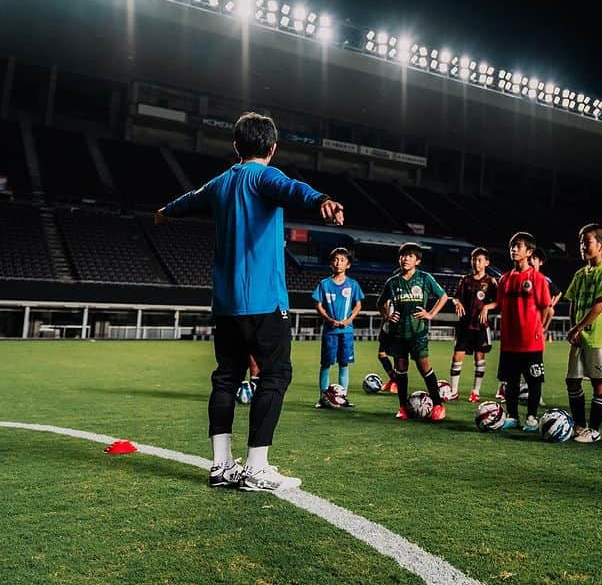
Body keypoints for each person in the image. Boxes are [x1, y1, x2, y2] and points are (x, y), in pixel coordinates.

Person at [157, 111, 344, 492]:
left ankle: (221, 466)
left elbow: (189, 200)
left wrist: (165, 212)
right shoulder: (265, 175)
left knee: (226, 377)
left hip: (225, 305)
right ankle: (257, 466)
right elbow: (294, 188)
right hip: (263, 304)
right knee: (275, 375)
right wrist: (321, 198)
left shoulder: (221, 182)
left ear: (235, 145)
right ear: (272, 148)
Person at [480, 232, 553, 431]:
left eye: (518, 246)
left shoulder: (538, 279)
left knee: (534, 381)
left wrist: (542, 329)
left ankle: (531, 417)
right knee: (510, 382)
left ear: (529, 252)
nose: (513, 249)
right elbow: (499, 303)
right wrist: (487, 306)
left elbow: (547, 307)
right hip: (509, 341)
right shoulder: (504, 279)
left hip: (531, 341)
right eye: (512, 245)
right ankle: (512, 416)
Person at [378, 242, 450, 421]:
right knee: (401, 369)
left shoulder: (425, 278)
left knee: (424, 367)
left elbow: (443, 296)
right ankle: (403, 407)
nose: (405, 259)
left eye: (410, 256)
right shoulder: (392, 282)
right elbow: (380, 302)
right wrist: (387, 315)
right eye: (403, 256)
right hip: (398, 334)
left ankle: (439, 405)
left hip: (418, 333)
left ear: (417, 260)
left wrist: (431, 313)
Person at [564, 223, 602, 443]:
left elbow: (599, 306)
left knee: (599, 382)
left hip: (597, 337)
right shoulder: (580, 274)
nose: (582, 246)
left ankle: (594, 430)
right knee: (572, 381)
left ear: (601, 245)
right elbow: (573, 301)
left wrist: (578, 327)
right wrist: (572, 327)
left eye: (587, 242)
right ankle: (579, 425)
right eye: (581, 242)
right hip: (579, 337)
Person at [313, 247, 364, 407]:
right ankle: (323, 398)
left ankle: (343, 397)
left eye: (342, 260)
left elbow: (358, 304)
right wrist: (329, 319)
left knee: (344, 364)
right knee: (326, 364)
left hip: (346, 331)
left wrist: (349, 320)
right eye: (335, 259)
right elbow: (318, 304)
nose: (338, 263)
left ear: (348, 265)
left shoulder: (352, 284)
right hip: (330, 331)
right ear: (331, 263)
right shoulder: (324, 284)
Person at [449, 247, 498, 402]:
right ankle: (453, 391)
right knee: (457, 357)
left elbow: (498, 302)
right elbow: (455, 297)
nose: (476, 263)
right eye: (474, 260)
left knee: (479, 358)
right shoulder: (465, 279)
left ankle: (475, 392)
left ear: (486, 262)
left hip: (481, 326)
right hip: (465, 325)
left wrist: (486, 307)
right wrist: (456, 302)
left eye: (479, 260)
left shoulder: (491, 282)